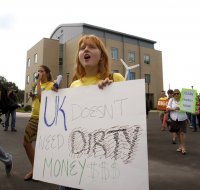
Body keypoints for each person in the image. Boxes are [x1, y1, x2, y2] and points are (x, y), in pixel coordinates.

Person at [56, 34, 125, 190]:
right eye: (82, 48)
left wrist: (111, 94)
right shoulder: (74, 85)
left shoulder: (115, 79)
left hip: (103, 164)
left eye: (91, 47)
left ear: (101, 56)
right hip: (74, 161)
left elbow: (131, 118)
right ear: (79, 57)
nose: (85, 49)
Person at [23, 65, 54, 181]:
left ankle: (43, 170)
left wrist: (38, 82)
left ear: (47, 73)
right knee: (26, 143)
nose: (39, 73)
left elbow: (41, 98)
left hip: (45, 119)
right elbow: (36, 99)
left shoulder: (51, 85)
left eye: (41, 71)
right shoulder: (38, 85)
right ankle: (35, 169)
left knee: (44, 146)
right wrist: (32, 95)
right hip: (34, 117)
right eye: (38, 71)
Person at [167, 89, 188, 155]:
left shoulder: (184, 100)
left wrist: (181, 108)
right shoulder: (171, 100)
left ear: (180, 94)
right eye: (175, 93)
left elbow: (188, 108)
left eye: (178, 93)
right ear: (173, 94)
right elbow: (167, 108)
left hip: (182, 118)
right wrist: (174, 108)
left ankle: (183, 148)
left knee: (182, 133)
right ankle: (180, 146)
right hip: (174, 119)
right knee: (178, 133)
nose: (176, 95)